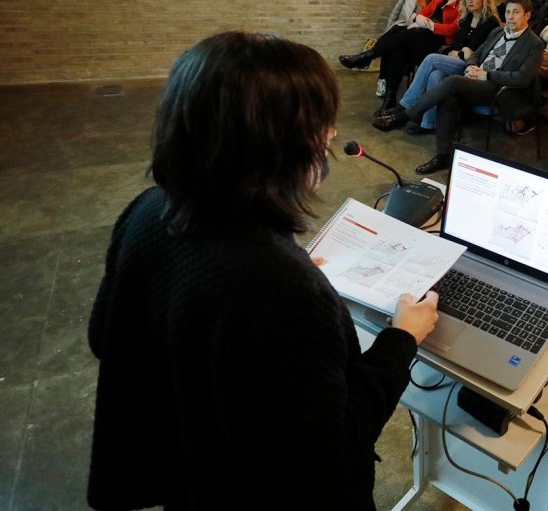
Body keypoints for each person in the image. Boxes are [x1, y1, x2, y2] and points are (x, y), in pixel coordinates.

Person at [87, 31, 441, 510]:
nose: (331, 136)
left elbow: (106, 335)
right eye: (322, 125)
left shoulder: (147, 210)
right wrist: (402, 337)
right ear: (280, 143)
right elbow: (331, 451)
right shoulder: (283, 286)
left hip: (193, 477)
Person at [371, 0, 544, 174]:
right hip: (476, 78)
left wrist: (487, 75)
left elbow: (522, 78)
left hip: (497, 89)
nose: (510, 16)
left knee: (452, 82)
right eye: (508, 12)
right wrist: (471, 66)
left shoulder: (534, 44)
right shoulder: (498, 32)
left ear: (527, 15)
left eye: (516, 12)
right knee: (448, 94)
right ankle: (443, 156)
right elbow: (477, 54)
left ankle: (405, 116)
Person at [340, 0, 468, 112]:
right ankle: (389, 99)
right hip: (420, 37)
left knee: (408, 33)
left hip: (438, 43)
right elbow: (423, 12)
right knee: (397, 48)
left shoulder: (463, 4)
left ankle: (368, 56)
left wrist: (430, 26)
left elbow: (452, 29)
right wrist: (419, 18)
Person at [392, 0, 501, 135]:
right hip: (459, 58)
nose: (470, 0)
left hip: (474, 66)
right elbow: (457, 43)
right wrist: (459, 51)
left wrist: (463, 52)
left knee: (431, 59)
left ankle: (405, 105)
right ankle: (428, 124)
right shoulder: (466, 18)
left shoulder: (491, 22)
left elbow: (483, 51)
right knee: (435, 76)